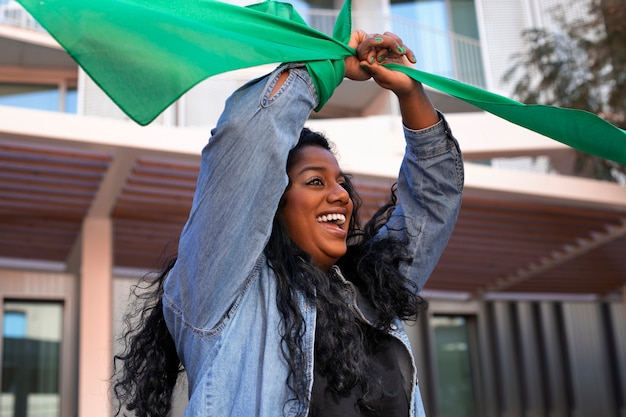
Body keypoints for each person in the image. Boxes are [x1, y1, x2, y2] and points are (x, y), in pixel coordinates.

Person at [113, 29, 463, 417]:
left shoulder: (374, 287)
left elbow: (433, 200)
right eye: (315, 181)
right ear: (272, 202)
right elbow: (248, 138)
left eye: (341, 183)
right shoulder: (225, 291)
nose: (342, 196)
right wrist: (324, 68)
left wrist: (411, 93)